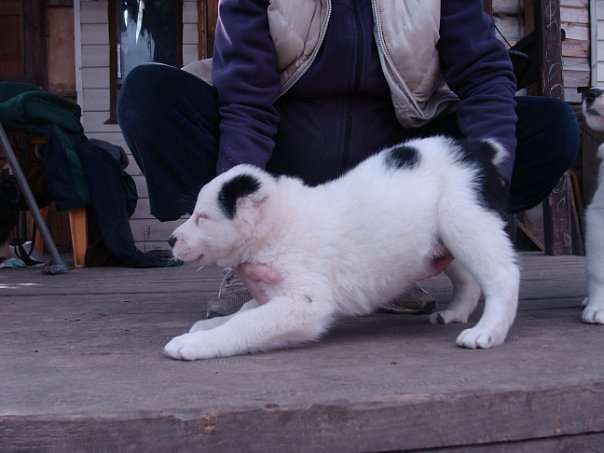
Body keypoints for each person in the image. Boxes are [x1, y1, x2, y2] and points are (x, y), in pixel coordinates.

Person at [118, 0, 579, 318]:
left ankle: (389, 267)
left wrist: (483, 200)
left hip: (389, 177)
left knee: (550, 127)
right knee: (150, 95)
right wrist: (240, 237)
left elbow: (484, 76)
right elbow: (246, 106)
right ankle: (259, 271)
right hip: (284, 175)